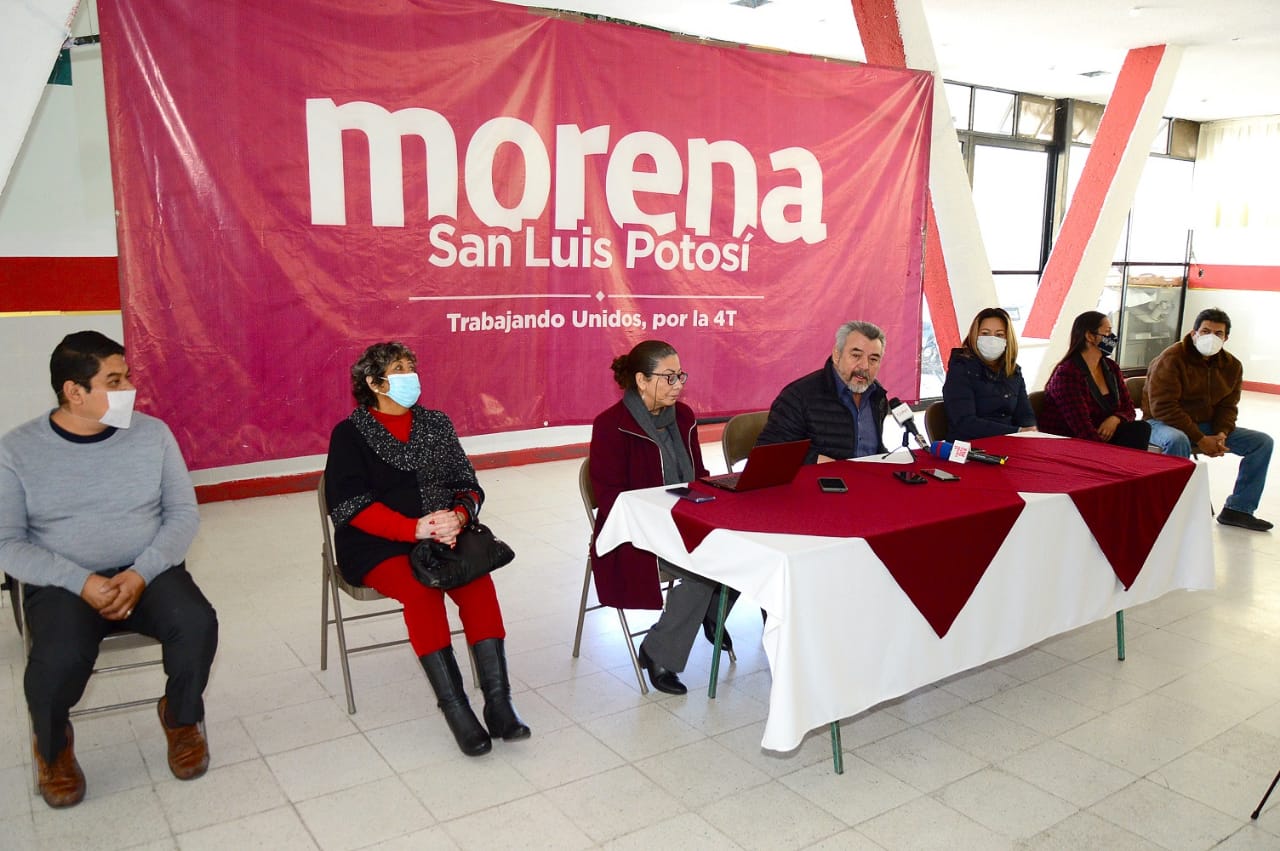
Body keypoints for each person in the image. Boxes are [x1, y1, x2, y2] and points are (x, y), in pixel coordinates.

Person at [0, 331, 218, 808]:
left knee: (196, 624)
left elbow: (183, 515)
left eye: (128, 378)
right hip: (64, 583)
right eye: (114, 381)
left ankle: (181, 719)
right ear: (73, 392)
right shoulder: (16, 451)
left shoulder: (153, 435)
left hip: (147, 572)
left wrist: (140, 573)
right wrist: (81, 581)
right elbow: (7, 544)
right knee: (58, 658)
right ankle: (53, 747)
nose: (130, 390)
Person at [324, 342, 528, 755]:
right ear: (374, 383)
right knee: (422, 590)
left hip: (441, 534)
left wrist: (459, 517)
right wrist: (412, 528)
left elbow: (468, 484)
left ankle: (499, 702)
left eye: (411, 366)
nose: (410, 375)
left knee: (477, 583)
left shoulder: (435, 423)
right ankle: (457, 710)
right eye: (399, 368)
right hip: (377, 543)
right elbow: (349, 506)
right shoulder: (349, 434)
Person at [589, 340, 731, 695]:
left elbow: (697, 475)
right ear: (641, 380)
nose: (678, 384)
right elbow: (610, 498)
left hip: (685, 520)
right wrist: (659, 518)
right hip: (634, 534)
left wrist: (713, 496)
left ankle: (710, 611)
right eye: (669, 377)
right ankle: (658, 651)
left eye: (680, 375)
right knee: (704, 572)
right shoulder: (611, 425)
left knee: (747, 547)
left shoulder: (683, 417)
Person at [1142, 308, 1274, 531]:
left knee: (1262, 442)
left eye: (1218, 333)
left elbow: (1228, 407)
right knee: (1177, 439)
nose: (1211, 337)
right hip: (1161, 423)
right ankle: (1173, 509)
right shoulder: (1171, 358)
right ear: (1194, 333)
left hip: (1205, 425)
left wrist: (1221, 434)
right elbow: (1163, 408)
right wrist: (1200, 439)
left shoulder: (1232, 366)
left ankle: (1239, 509)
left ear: (1226, 338)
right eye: (1205, 331)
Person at [755, 320, 890, 462]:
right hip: (820, 476)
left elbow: (872, 449)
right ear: (837, 355)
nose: (865, 366)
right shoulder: (798, 396)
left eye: (873, 359)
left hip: (868, 474)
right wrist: (815, 460)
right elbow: (768, 452)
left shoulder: (877, 395)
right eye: (856, 356)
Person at [1039, 311, 1151, 450]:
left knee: (1141, 428)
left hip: (1103, 436)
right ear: (1090, 336)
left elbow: (1129, 410)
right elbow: (1081, 428)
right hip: (1071, 441)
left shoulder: (1111, 367)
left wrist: (1115, 419)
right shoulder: (1067, 374)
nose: (1112, 337)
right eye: (1107, 332)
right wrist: (1104, 452)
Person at [943, 307, 1037, 441]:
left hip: (1010, 442)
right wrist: (1016, 432)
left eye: (999, 335)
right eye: (985, 333)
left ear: (1007, 339)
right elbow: (965, 423)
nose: (992, 339)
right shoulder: (960, 369)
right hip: (971, 445)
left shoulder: (1013, 371)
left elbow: (1025, 414)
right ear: (974, 336)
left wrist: (1030, 431)